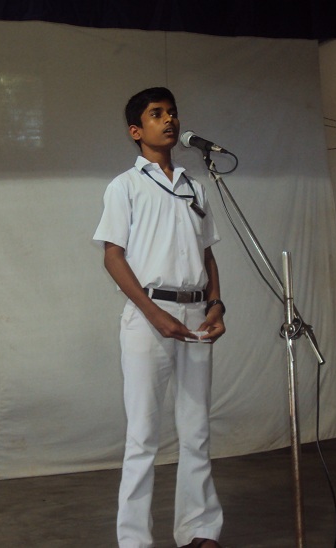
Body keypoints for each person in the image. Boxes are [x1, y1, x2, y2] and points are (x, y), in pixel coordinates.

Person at [93, 87, 226, 548]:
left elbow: (207, 255)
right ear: (136, 130)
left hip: (196, 314)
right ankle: (134, 540)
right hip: (148, 314)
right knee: (143, 435)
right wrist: (154, 315)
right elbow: (113, 256)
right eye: (156, 114)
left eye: (172, 112)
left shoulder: (194, 186)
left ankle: (199, 529)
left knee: (196, 428)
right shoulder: (125, 186)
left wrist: (216, 305)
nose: (169, 120)